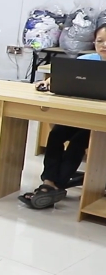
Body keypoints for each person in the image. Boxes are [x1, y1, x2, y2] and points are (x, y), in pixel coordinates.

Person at [20, 23, 106, 209]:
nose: (104, 45)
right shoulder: (87, 60)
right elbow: (65, 76)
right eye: (100, 41)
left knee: (78, 141)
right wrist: (48, 82)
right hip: (80, 115)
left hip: (101, 122)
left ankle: (53, 186)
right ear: (94, 42)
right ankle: (51, 182)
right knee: (56, 134)